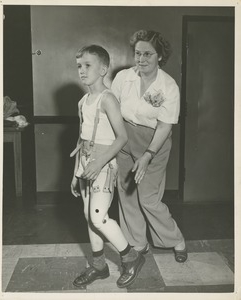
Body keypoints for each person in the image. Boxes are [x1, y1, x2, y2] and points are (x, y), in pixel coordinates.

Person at [70, 45, 145, 289]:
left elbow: (122, 137)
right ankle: (99, 265)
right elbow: (81, 140)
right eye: (79, 66)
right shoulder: (83, 101)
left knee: (98, 216)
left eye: (87, 65)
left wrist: (100, 162)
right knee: (87, 217)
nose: (81, 70)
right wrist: (75, 172)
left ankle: (130, 257)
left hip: (103, 165)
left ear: (103, 69)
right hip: (85, 165)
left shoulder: (108, 99)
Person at [111, 30, 187, 262]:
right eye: (137, 54)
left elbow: (164, 127)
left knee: (148, 198)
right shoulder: (123, 78)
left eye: (148, 54)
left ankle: (175, 239)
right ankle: (138, 243)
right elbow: (111, 110)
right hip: (125, 137)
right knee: (126, 194)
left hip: (155, 141)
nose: (141, 59)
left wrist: (147, 155)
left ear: (160, 57)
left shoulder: (168, 86)